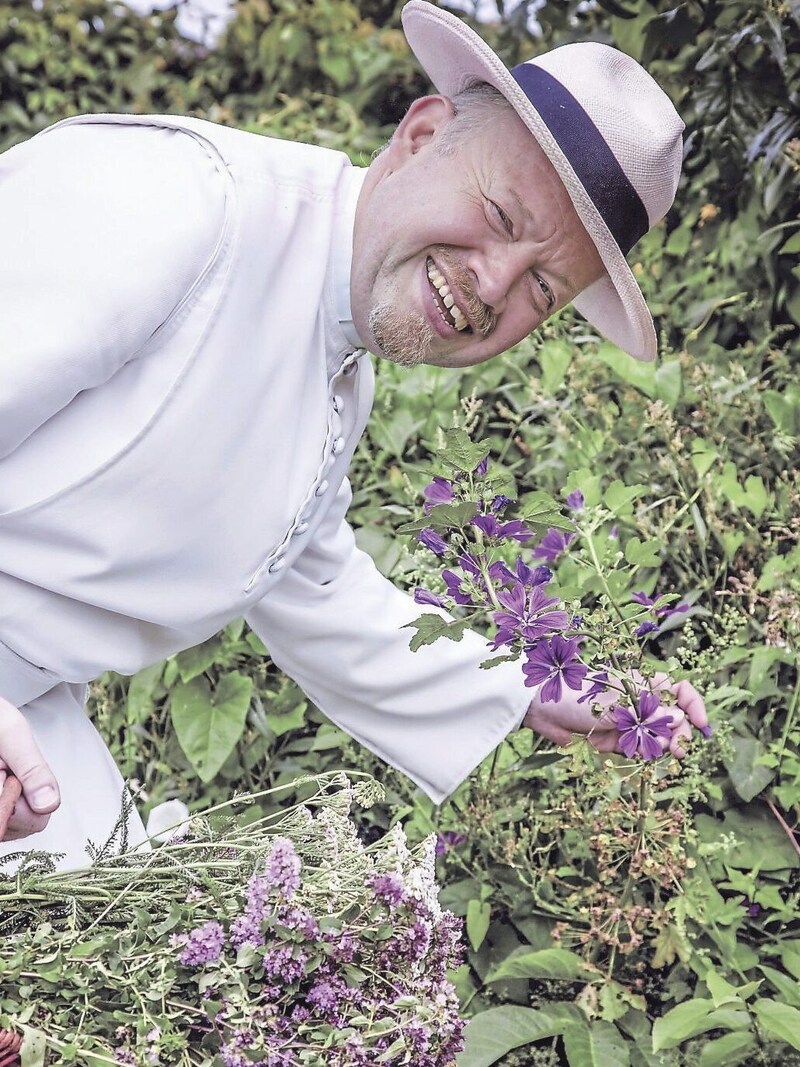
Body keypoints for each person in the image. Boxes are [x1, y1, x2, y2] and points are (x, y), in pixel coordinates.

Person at [0, 0, 706, 868]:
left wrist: (546, 692)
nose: (491, 284)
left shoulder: (341, 370)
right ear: (422, 133)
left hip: (27, 726)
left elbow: (315, 588)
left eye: (542, 288)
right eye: (502, 215)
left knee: (127, 942)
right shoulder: (182, 205)